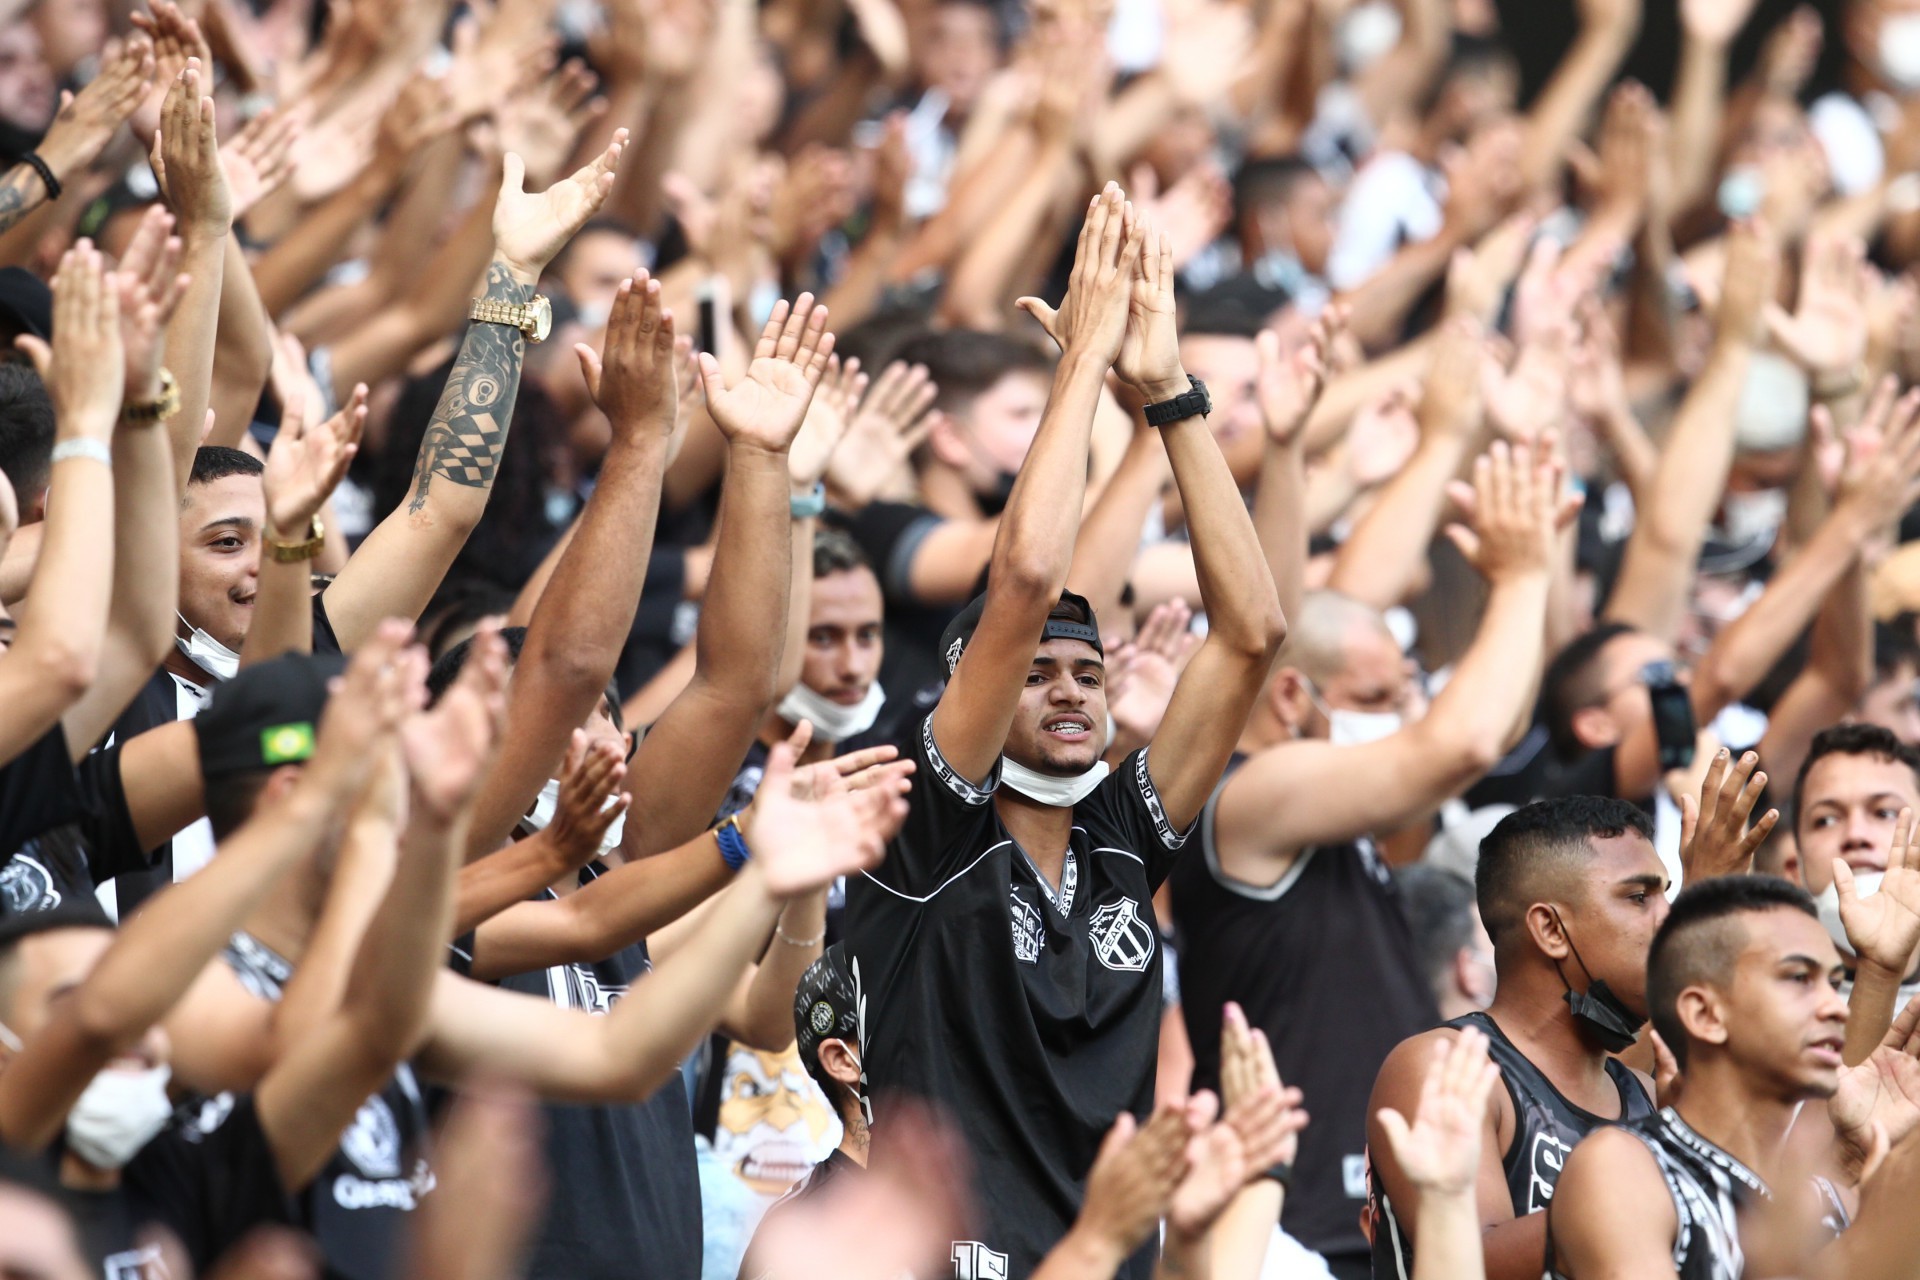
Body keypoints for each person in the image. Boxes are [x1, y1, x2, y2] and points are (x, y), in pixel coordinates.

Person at [844, 184, 1288, 1280]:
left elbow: (1253, 632)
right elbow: (1029, 575)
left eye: (1089, 672)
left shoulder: (1126, 831)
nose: (1073, 689)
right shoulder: (927, 833)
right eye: (1034, 672)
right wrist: (1081, 361)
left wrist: (1175, 394)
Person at [1174, 438, 1562, 1277]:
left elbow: (1481, 724)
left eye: (1407, 691)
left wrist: (1285, 452)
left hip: (1380, 1228)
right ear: (1290, 695)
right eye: (1377, 699)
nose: (1402, 716)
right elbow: (1461, 743)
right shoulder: (1247, 797)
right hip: (1297, 1233)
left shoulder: (1346, 826)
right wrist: (1523, 578)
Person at [1543, 875, 1920, 1280]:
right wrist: (1865, 1247)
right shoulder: (1623, 1169)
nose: (1835, 1008)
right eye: (1797, 978)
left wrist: (1865, 1161)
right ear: (1706, 1014)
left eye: (1832, 985)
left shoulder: (1830, 1198)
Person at [1366, 797, 1665, 1280]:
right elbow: (1471, 1260)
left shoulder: (1644, 1094)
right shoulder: (1444, 1068)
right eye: (1639, 898)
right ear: (1550, 929)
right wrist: (1651, 1194)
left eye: (1667, 895)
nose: (1668, 919)